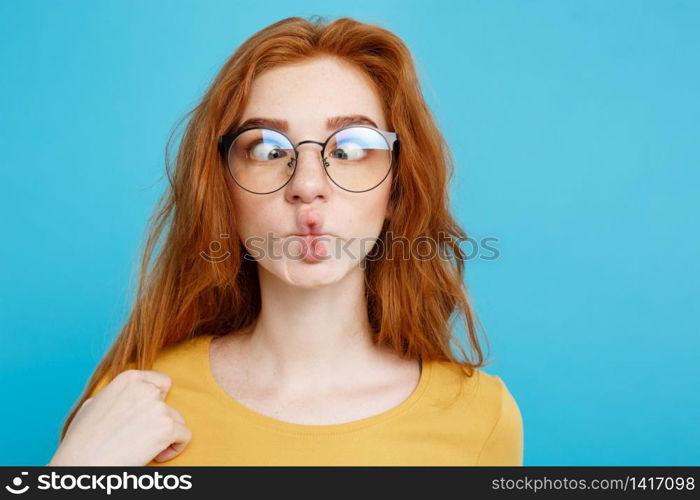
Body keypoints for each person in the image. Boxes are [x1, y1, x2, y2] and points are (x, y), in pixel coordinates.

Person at [48, 15, 523, 466]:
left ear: (397, 189)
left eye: (353, 147)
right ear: (223, 190)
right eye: (267, 149)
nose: (308, 184)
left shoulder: (480, 417)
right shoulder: (139, 403)